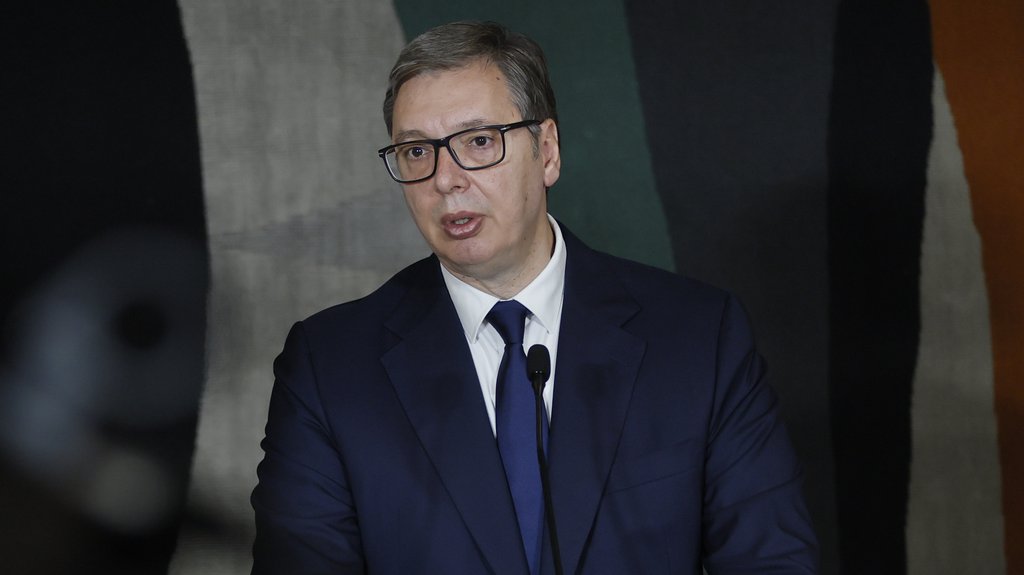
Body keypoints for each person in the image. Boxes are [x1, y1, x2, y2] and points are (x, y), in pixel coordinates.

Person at [251, 20, 817, 575]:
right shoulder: (331, 367)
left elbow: (772, 559)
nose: (445, 179)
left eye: (478, 142)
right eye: (417, 151)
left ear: (546, 151)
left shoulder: (698, 337)